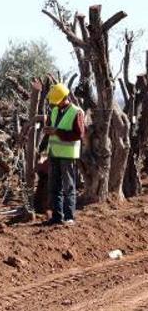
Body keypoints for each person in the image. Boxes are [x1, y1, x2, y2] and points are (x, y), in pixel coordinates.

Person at [41, 83, 85, 226]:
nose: (55, 104)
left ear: (64, 98)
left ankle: (69, 217)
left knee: (68, 187)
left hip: (68, 155)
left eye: (57, 101)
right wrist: (45, 138)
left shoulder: (76, 112)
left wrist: (57, 132)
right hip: (54, 154)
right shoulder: (54, 111)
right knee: (54, 187)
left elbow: (78, 134)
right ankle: (56, 217)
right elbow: (50, 130)